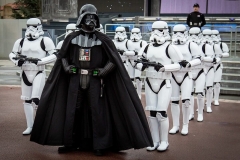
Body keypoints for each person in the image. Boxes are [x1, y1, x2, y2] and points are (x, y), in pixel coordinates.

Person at [30, 4, 153, 156]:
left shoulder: (103, 39)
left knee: (97, 112)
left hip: (95, 81)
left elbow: (114, 60)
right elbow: (63, 57)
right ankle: (70, 143)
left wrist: (103, 71)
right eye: (87, 18)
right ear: (81, 18)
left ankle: (99, 144)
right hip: (75, 80)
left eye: (93, 18)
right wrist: (67, 67)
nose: (90, 21)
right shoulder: (71, 38)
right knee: (73, 111)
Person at [136, 21, 183, 151]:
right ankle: (154, 140)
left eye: (160, 30)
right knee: (152, 113)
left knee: (161, 113)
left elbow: (181, 64)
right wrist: (141, 64)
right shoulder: (147, 47)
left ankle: (164, 141)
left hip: (164, 82)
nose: (156, 33)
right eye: (154, 30)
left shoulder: (170, 47)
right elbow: (138, 62)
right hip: (150, 81)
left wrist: (164, 67)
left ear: (165, 31)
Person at [9, 18, 56, 135]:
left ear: (39, 26)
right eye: (29, 26)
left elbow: (55, 55)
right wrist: (16, 61)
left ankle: (41, 125)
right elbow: (13, 53)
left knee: (37, 100)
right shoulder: (20, 41)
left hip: (38, 71)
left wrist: (40, 61)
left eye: (34, 26)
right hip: (25, 71)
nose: (31, 28)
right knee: (27, 100)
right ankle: (30, 126)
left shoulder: (45, 40)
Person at [169, 24, 201, 135]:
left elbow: (198, 58)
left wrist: (189, 63)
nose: (178, 35)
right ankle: (175, 125)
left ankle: (185, 125)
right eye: (176, 32)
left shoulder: (191, 45)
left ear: (185, 33)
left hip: (186, 74)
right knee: (174, 101)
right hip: (173, 74)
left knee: (186, 100)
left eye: (181, 32)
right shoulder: (170, 45)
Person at [188, 27, 206, 122]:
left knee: (200, 93)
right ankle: (191, 113)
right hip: (190, 71)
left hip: (200, 70)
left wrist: (203, 58)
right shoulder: (187, 45)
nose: (193, 36)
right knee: (189, 94)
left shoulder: (205, 46)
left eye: (196, 34)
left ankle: (200, 113)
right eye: (191, 34)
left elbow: (212, 58)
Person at [124, 28, 148, 99]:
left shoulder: (143, 43)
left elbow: (146, 54)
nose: (134, 35)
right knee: (130, 79)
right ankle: (131, 93)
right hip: (130, 61)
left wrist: (138, 54)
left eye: (136, 33)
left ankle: (139, 93)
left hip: (138, 61)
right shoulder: (128, 42)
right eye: (133, 33)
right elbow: (125, 51)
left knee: (138, 78)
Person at [201, 29, 220, 113]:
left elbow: (219, 56)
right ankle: (200, 106)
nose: (206, 37)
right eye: (204, 35)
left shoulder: (215, 46)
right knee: (200, 89)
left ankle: (208, 105)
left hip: (211, 67)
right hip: (201, 68)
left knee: (209, 87)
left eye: (208, 35)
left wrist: (215, 60)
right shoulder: (199, 45)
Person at [211, 30, 229, 106]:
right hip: (209, 65)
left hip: (218, 65)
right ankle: (208, 99)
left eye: (215, 35)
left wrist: (220, 55)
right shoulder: (206, 44)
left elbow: (227, 53)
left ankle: (216, 99)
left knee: (217, 83)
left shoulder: (222, 44)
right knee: (208, 85)